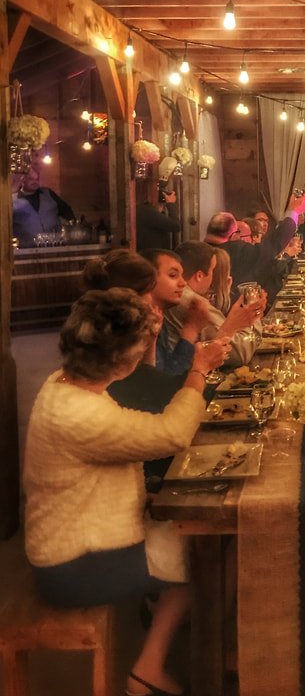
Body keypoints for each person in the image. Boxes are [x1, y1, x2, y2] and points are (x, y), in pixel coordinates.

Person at [22, 288, 229, 696]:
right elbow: (171, 433)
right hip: (74, 565)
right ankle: (150, 670)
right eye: (140, 349)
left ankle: (157, 618)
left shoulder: (64, 382)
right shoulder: (81, 412)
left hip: (78, 535)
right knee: (204, 555)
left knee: (191, 530)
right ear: (122, 360)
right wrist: (198, 371)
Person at [164, 241, 263, 365]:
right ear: (200, 275)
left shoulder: (187, 297)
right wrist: (254, 314)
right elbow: (238, 353)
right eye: (212, 271)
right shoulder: (193, 302)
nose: (182, 283)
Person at [12, 165, 75, 247]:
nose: (35, 182)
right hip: (25, 249)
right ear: (23, 180)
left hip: (55, 246)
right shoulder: (12, 199)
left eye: (37, 179)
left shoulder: (48, 194)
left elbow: (67, 211)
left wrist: (72, 230)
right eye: (31, 179)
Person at [136, 184, 180, 251]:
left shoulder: (141, 209)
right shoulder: (146, 211)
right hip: (152, 256)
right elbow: (175, 226)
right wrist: (171, 204)